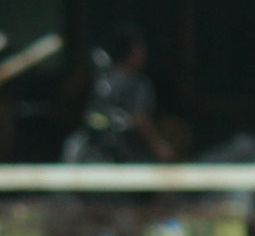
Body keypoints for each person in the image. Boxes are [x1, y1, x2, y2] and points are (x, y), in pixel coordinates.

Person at [62, 22, 175, 164]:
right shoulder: (137, 83)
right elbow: (140, 118)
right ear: (135, 51)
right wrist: (159, 146)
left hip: (89, 154)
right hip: (120, 155)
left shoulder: (98, 78)